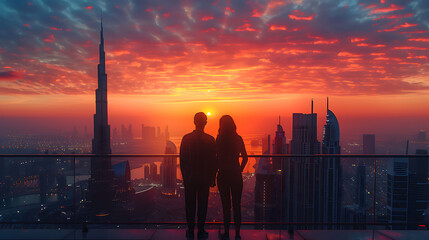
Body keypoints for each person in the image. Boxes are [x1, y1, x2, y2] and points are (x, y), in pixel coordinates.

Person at [180, 112, 217, 239]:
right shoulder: (210, 140)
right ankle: (201, 230)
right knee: (202, 205)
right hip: (204, 178)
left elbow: (182, 160)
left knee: (189, 205)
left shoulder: (186, 138)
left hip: (190, 178)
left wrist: (185, 178)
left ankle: (190, 231)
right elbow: (213, 161)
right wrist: (212, 178)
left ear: (194, 122)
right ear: (205, 122)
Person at [216, 115, 248, 240]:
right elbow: (245, 157)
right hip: (236, 175)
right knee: (237, 205)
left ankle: (226, 233)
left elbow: (215, 157)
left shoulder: (220, 139)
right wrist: (240, 169)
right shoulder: (238, 138)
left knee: (226, 206)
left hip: (223, 174)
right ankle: (238, 234)